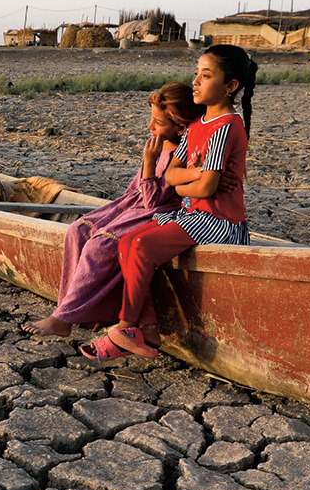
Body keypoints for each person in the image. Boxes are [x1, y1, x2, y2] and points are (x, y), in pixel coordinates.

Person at [81, 44, 257, 361]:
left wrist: (198, 178)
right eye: (196, 74)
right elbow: (173, 175)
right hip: (193, 216)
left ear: (230, 86)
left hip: (219, 223)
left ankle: (125, 326)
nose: (196, 83)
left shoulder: (227, 126)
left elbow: (205, 189)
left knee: (143, 248)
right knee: (125, 243)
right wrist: (200, 173)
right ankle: (148, 328)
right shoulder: (195, 127)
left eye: (206, 76)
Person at [20, 83, 201, 336]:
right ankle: (73, 311)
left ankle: (64, 318)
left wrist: (149, 163)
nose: (150, 128)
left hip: (154, 210)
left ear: (180, 127)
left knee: (99, 247)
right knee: (77, 230)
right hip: (133, 203)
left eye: (157, 123)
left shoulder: (181, 154)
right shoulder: (157, 145)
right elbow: (134, 189)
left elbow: (153, 201)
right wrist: (114, 212)